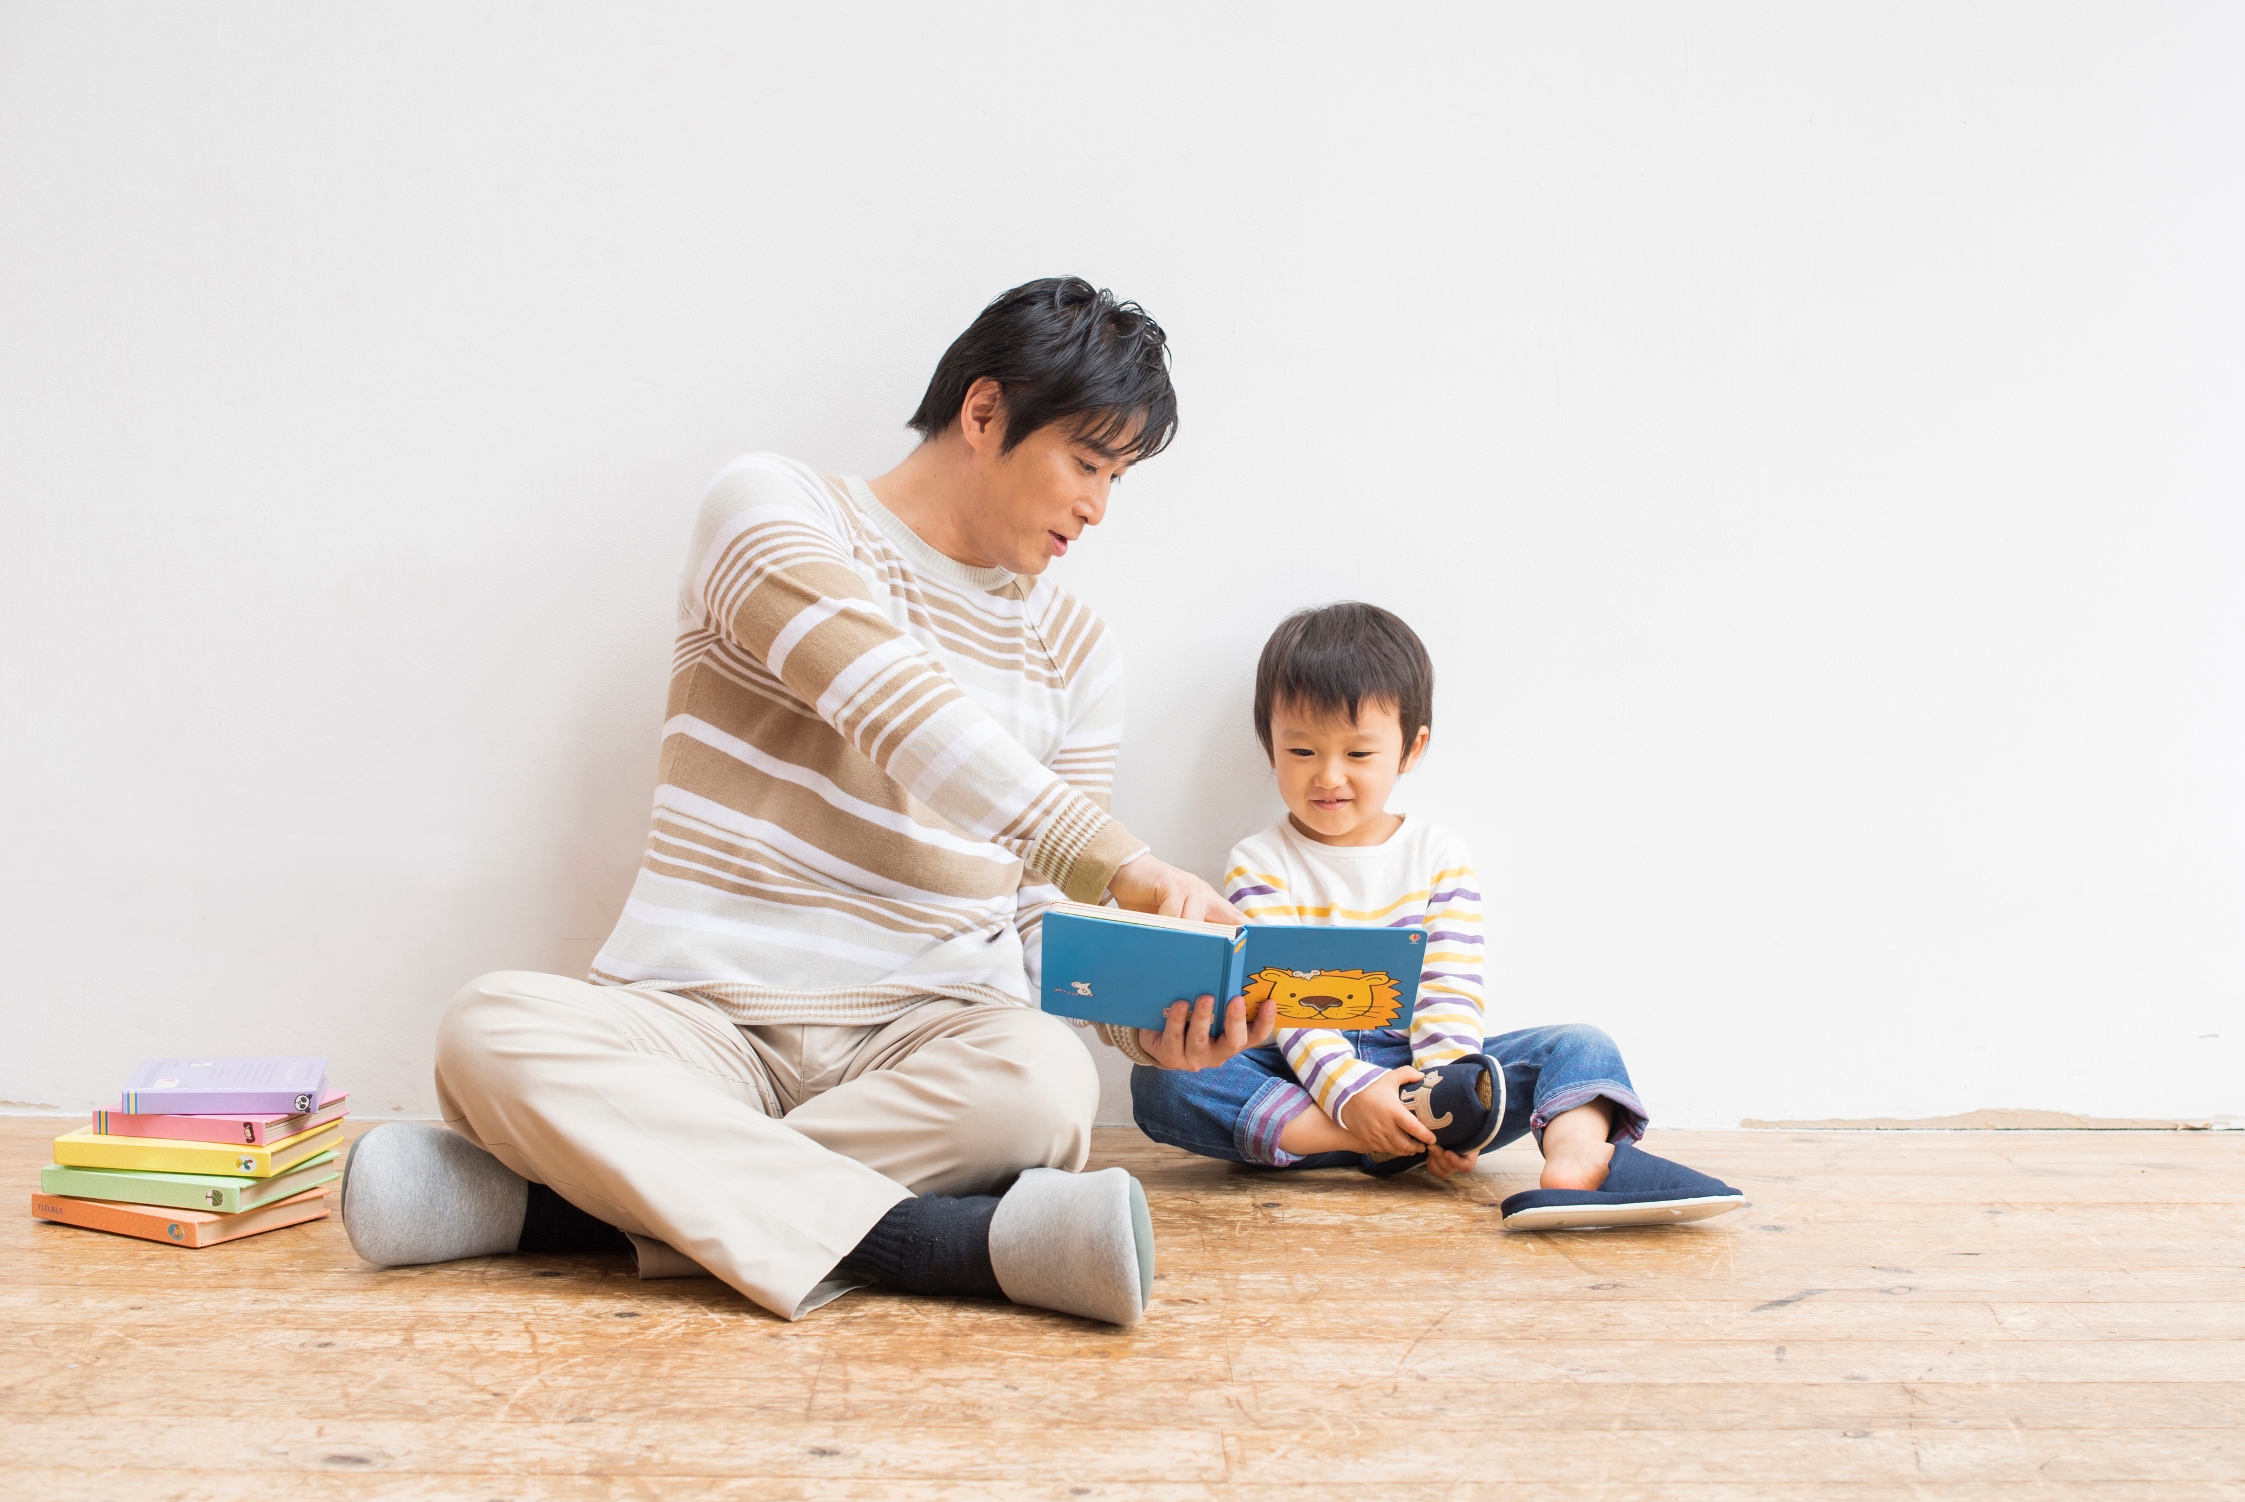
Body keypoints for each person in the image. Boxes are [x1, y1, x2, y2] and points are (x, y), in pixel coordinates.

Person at [337, 278, 1276, 1325]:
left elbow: (1035, 921)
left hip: (923, 1036)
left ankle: (561, 1211)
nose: (1098, 507)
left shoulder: (1074, 647)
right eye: (1087, 463)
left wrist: (1152, 1026)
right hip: (699, 1023)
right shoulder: (771, 508)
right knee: (490, 1029)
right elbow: (898, 707)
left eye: (1117, 477)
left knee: (1046, 1083)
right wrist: (1123, 861)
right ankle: (936, 1242)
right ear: (983, 412)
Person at [1128, 603, 1745, 1229]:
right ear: (1270, 747)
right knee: (1164, 1081)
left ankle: (1579, 1159)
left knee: (1582, 1046)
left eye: (1360, 753)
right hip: (1305, 1084)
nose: (1329, 775)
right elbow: (1285, 1009)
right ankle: (1350, 1140)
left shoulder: (1437, 855)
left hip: (1422, 1075)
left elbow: (1450, 990)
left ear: (1410, 749)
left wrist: (1451, 1108)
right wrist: (1351, 1102)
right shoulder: (1257, 861)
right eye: (1303, 749)